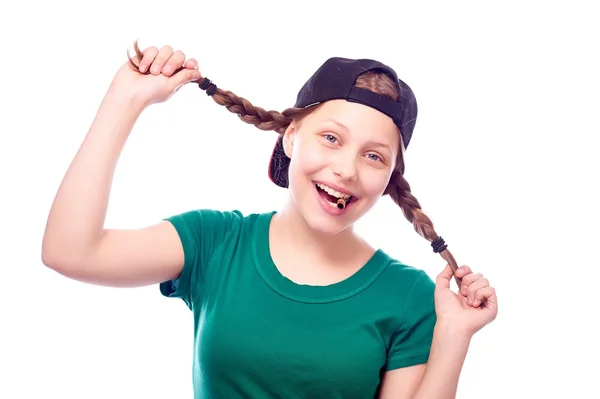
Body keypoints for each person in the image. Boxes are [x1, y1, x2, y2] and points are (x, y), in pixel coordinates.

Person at [42, 41, 498, 399]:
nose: (346, 169)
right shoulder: (216, 242)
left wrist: (455, 334)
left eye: (374, 156)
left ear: (390, 177)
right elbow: (70, 251)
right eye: (331, 137)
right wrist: (125, 98)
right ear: (290, 137)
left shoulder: (410, 298)